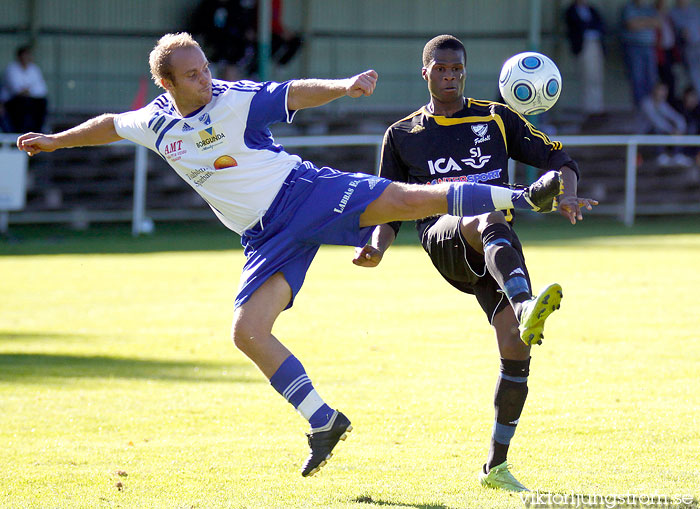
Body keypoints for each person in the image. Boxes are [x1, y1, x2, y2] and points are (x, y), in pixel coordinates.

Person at [16, 32, 573, 479]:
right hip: (265, 238)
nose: (205, 79)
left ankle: (525, 197)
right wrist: (54, 140)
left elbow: (292, 93)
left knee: (404, 198)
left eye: (205, 68)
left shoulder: (232, 99)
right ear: (165, 83)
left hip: (305, 194)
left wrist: (345, 85)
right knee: (247, 331)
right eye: (192, 75)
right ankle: (324, 422)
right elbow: (110, 125)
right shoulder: (156, 123)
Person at [353, 35, 597, 492]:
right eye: (442, 70)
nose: (451, 77)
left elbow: (559, 157)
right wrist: (378, 246)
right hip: (444, 238)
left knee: (516, 350)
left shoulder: (496, 118)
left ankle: (496, 467)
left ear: (466, 71)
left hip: (497, 246)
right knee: (479, 214)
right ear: (425, 72)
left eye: (458, 70)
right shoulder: (402, 134)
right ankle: (525, 304)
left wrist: (564, 190)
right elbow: (386, 208)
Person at [565, 0, 606, 115]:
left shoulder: (592, 10)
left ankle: (598, 107)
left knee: (597, 77)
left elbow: (600, 25)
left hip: (595, 44)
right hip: (583, 46)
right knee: (587, 77)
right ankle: (589, 109)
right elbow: (575, 27)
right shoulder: (571, 11)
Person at [640, 81, 692, 166]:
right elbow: (657, 122)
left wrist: (680, 128)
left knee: (680, 129)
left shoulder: (662, 104)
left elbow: (677, 118)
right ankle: (660, 155)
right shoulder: (646, 104)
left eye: (664, 91)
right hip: (643, 136)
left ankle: (678, 155)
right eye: (661, 90)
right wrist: (672, 130)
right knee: (657, 129)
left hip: (662, 134)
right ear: (655, 90)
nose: (662, 93)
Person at [620, 0, 661, 105]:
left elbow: (657, 22)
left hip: (649, 47)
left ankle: (652, 107)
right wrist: (649, 22)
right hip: (634, 47)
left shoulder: (649, 8)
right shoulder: (629, 8)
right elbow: (632, 25)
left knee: (651, 78)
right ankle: (640, 108)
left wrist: (641, 22)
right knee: (637, 78)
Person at [3, 45, 48, 132]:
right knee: (23, 103)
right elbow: (16, 90)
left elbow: (42, 90)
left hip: (31, 100)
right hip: (12, 101)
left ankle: (37, 132)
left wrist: (27, 91)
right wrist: (29, 90)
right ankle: (20, 132)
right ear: (19, 57)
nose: (26, 58)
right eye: (24, 55)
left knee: (42, 102)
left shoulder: (34, 69)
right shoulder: (11, 69)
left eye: (28, 55)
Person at [669, 0, 700, 97]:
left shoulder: (694, 10)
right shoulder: (672, 13)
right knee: (694, 76)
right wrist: (681, 33)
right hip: (687, 48)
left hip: (698, 45)